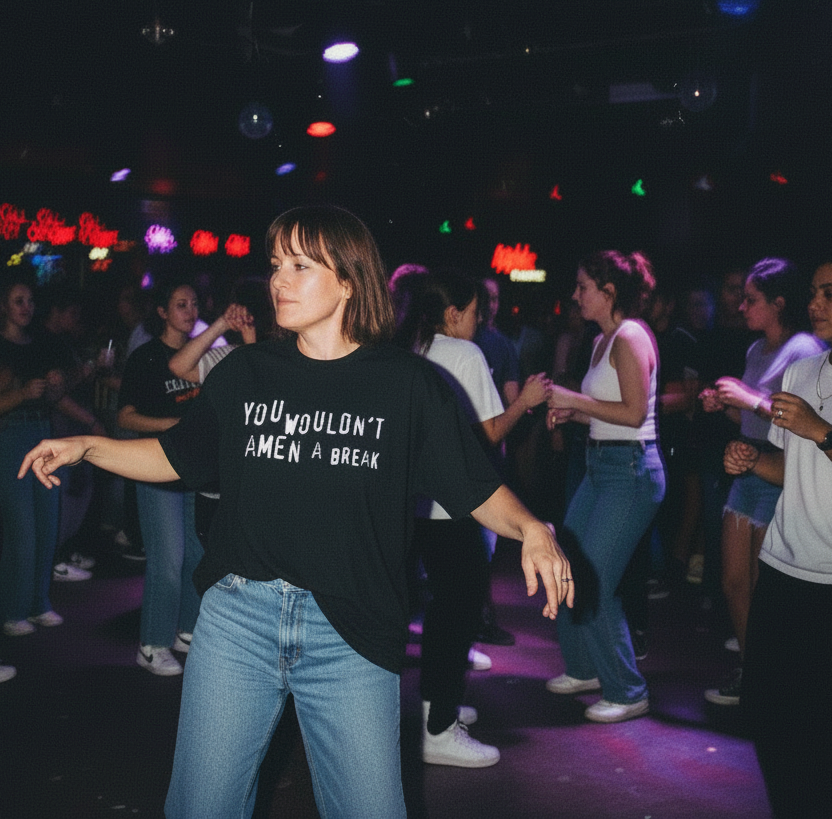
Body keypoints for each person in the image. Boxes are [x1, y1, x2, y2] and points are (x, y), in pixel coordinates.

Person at [19, 205, 573, 819]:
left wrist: (530, 529)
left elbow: (470, 482)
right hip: (238, 618)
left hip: (351, 630)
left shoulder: (405, 384)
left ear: (348, 281)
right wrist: (88, 445)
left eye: (300, 266)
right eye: (276, 264)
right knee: (203, 807)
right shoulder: (248, 371)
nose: (278, 280)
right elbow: (180, 456)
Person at [394, 268, 551, 767]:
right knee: (455, 614)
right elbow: (483, 439)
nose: (480, 324)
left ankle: (437, 709)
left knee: (439, 609)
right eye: (476, 314)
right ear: (453, 313)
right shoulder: (464, 353)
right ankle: (439, 728)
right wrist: (524, 403)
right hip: (457, 505)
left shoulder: (407, 350)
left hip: (414, 505)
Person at [723, 260, 832, 819]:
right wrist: (753, 460)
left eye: (828, 293)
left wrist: (821, 429)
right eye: (814, 292)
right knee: (767, 712)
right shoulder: (803, 372)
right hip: (786, 565)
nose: (815, 303)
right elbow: (796, 468)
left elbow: (818, 442)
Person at [545, 250, 665, 723]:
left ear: (609, 291)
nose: (575, 296)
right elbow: (608, 410)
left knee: (595, 580)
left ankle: (628, 689)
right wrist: (576, 411)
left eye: (583, 287)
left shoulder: (631, 335)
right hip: (601, 466)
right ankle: (584, 668)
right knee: (569, 563)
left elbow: (635, 414)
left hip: (631, 471)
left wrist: (577, 399)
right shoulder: (601, 340)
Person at [700, 258, 824, 706]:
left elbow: (792, 419)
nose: (740, 305)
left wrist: (748, 400)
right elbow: (756, 421)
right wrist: (725, 405)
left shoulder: (804, 348)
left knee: (764, 585)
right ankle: (752, 673)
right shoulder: (757, 351)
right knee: (734, 580)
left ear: (778, 303)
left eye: (750, 299)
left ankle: (772, 681)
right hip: (752, 466)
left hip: (782, 473)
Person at [117, 277, 203, 675]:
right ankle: (152, 643)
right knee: (167, 559)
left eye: (193, 304)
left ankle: (186, 629)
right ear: (162, 312)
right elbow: (125, 416)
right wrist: (169, 422)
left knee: (197, 556)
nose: (190, 311)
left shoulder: (199, 357)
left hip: (193, 468)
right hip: (155, 464)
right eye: (181, 303)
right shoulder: (146, 358)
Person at [0, 272, 66, 637]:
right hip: (10, 437)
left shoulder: (39, 345)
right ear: (3, 307)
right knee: (21, 531)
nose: (27, 307)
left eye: (30, 301)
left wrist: (57, 385)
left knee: (47, 522)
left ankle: (38, 602)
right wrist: (23, 393)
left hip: (41, 433)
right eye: (18, 301)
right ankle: (13, 610)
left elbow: (53, 399)